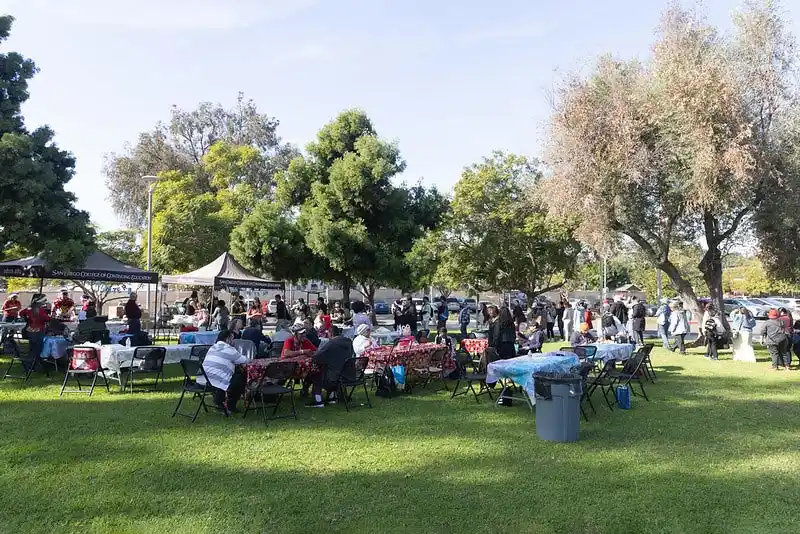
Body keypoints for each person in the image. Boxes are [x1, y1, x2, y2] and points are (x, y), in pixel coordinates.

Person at [196, 329, 248, 416]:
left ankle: (219, 400)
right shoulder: (230, 349)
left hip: (203, 379)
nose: (233, 341)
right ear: (227, 339)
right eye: (232, 339)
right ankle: (230, 405)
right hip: (214, 381)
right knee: (240, 378)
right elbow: (244, 360)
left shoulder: (213, 347)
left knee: (230, 375)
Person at [20, 294, 50, 364]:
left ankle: (30, 361)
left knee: (32, 346)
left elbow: (21, 313)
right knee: (38, 347)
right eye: (44, 301)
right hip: (39, 330)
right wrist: (49, 312)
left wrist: (27, 319)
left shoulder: (29, 309)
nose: (45, 302)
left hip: (30, 329)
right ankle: (36, 362)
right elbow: (47, 319)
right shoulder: (40, 310)